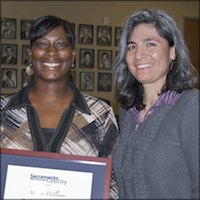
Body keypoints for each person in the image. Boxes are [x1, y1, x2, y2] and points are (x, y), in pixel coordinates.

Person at [1, 15, 119, 199]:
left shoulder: (99, 114)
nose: (51, 52)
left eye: (61, 45)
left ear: (73, 55)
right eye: (41, 44)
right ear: (30, 54)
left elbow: (115, 181)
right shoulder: (3, 112)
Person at [112, 9, 199, 199]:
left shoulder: (191, 105)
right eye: (132, 46)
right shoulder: (128, 110)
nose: (138, 55)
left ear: (173, 52)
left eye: (150, 44)